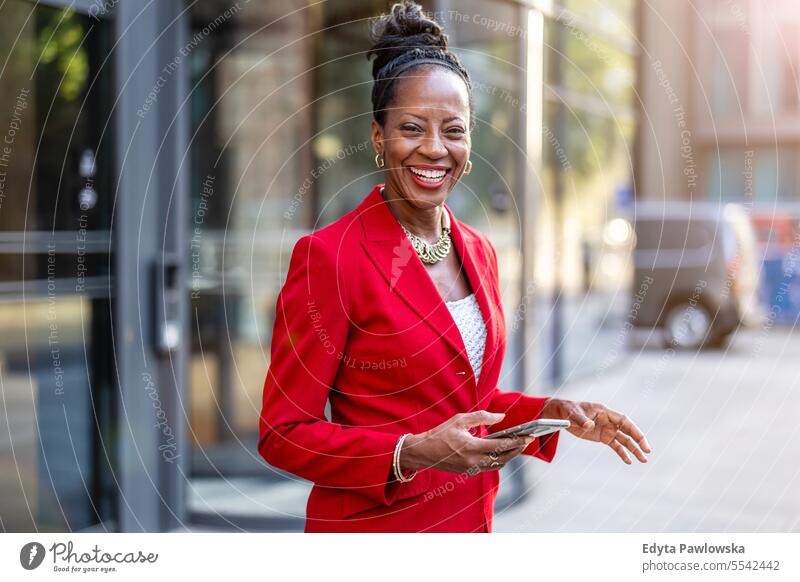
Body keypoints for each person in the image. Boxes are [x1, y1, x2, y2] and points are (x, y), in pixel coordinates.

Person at [258, 0, 650, 533]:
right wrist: (410, 453)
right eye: (413, 128)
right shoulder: (330, 257)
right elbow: (282, 432)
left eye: (454, 130)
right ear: (379, 138)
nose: (435, 149)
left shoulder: (479, 250)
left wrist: (555, 412)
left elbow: (468, 401)